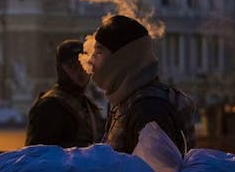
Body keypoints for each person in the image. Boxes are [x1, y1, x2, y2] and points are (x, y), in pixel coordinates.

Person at [89, 14, 197, 155]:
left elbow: (155, 168)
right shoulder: (126, 102)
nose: (90, 59)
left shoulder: (150, 109)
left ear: (121, 58)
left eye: (99, 52)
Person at [25, 39, 105, 148]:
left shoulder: (90, 106)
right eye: (73, 66)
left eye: (84, 64)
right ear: (61, 69)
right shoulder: (48, 106)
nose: (80, 71)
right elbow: (37, 153)